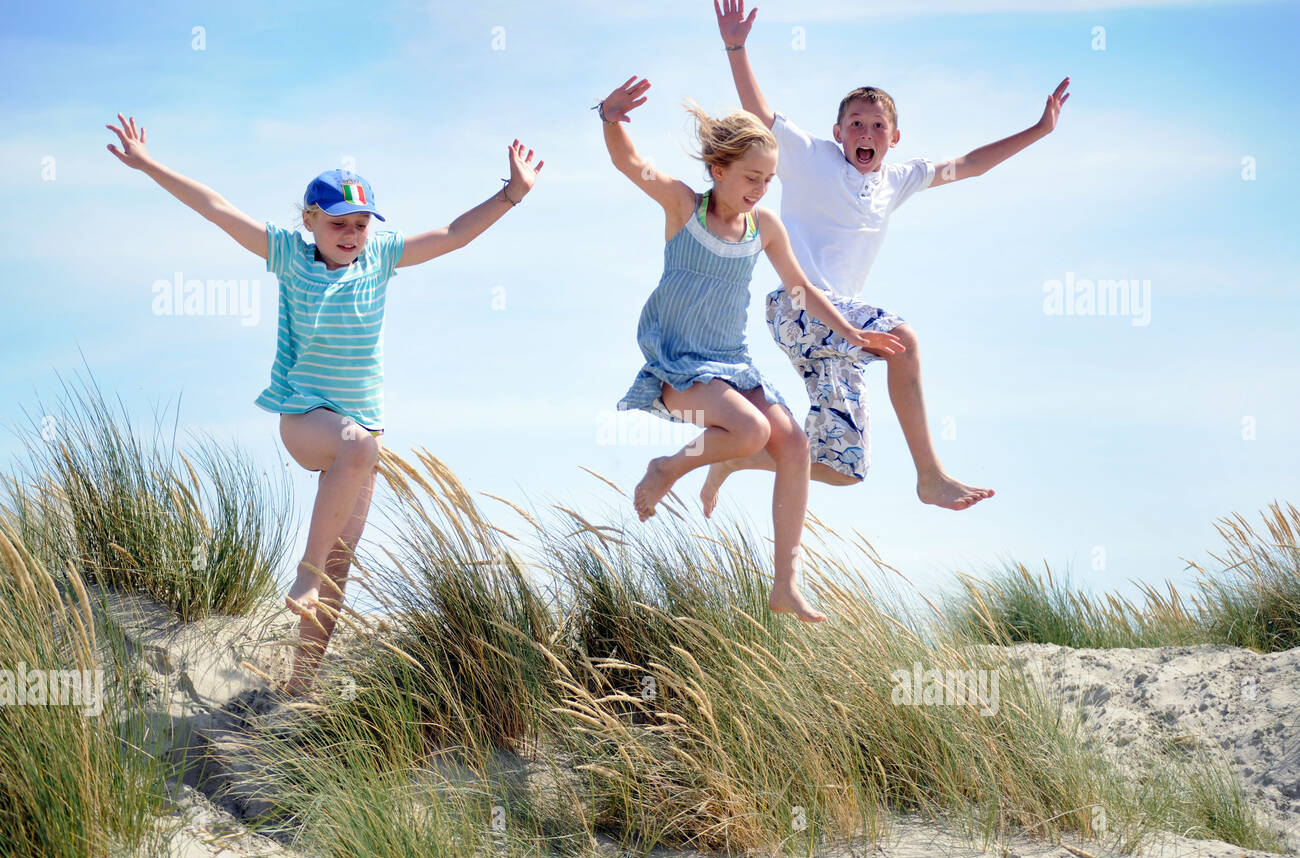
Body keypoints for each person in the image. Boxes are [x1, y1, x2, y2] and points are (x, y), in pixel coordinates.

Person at [105, 112, 543, 694]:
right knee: (351, 463)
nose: (351, 233)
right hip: (306, 420)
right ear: (311, 221)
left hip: (363, 436)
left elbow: (454, 234)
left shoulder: (380, 258)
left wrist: (511, 194)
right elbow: (215, 208)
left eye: (360, 223)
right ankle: (302, 577)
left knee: (342, 561)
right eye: (339, 221)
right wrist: (147, 162)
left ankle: (298, 685)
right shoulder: (288, 254)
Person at [707, 0, 1069, 514]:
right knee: (904, 339)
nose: (866, 134)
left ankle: (738, 458)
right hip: (799, 310)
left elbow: (968, 165)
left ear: (894, 139)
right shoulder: (810, 156)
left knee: (844, 467)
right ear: (838, 133)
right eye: (856, 124)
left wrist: (1038, 131)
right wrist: (736, 47)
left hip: (841, 335)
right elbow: (760, 115)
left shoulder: (897, 180)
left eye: (878, 127)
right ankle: (931, 475)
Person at [598, 77, 905, 623]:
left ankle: (785, 584)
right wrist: (611, 117)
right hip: (677, 368)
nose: (761, 188)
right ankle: (667, 468)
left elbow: (802, 289)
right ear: (718, 171)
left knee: (792, 445)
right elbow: (631, 164)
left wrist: (853, 335)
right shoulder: (684, 209)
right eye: (750, 177)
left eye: (768, 179)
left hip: (732, 366)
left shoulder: (763, 226)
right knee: (752, 432)